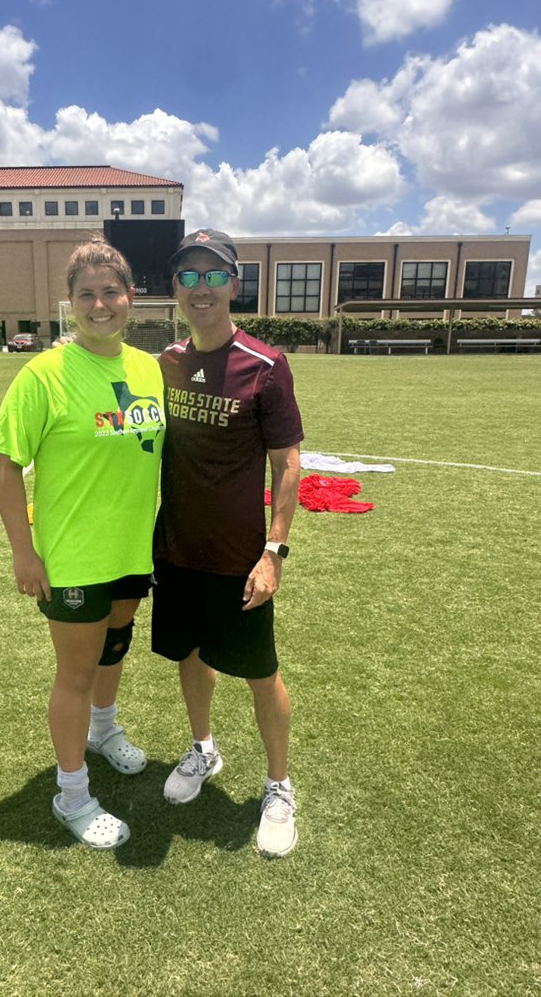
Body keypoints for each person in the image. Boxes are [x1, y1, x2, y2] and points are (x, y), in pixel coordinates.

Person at [0, 238, 166, 850]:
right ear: (70, 301)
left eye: (110, 292)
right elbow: (5, 462)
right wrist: (23, 551)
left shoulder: (148, 370)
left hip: (132, 550)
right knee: (76, 672)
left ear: (130, 297)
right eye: (86, 294)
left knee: (115, 647)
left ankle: (104, 730)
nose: (99, 305)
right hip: (72, 557)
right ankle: (71, 796)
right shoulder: (43, 375)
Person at [152, 229, 304, 858]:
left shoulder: (265, 366)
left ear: (234, 285)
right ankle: (202, 749)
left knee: (261, 674)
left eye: (213, 276)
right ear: (175, 288)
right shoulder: (164, 365)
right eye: (188, 276)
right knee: (191, 657)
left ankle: (278, 785)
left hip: (240, 560)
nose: (201, 288)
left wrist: (273, 552)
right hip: (175, 550)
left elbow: (287, 464)